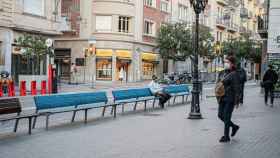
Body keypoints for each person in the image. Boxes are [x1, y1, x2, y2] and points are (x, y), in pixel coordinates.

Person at [217, 55, 240, 143]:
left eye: (228, 62)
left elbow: (237, 87)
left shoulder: (234, 73)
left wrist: (237, 100)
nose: (226, 63)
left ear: (232, 63)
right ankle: (234, 127)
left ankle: (226, 136)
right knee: (220, 115)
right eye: (225, 62)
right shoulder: (224, 72)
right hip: (222, 97)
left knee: (226, 117)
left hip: (230, 98)